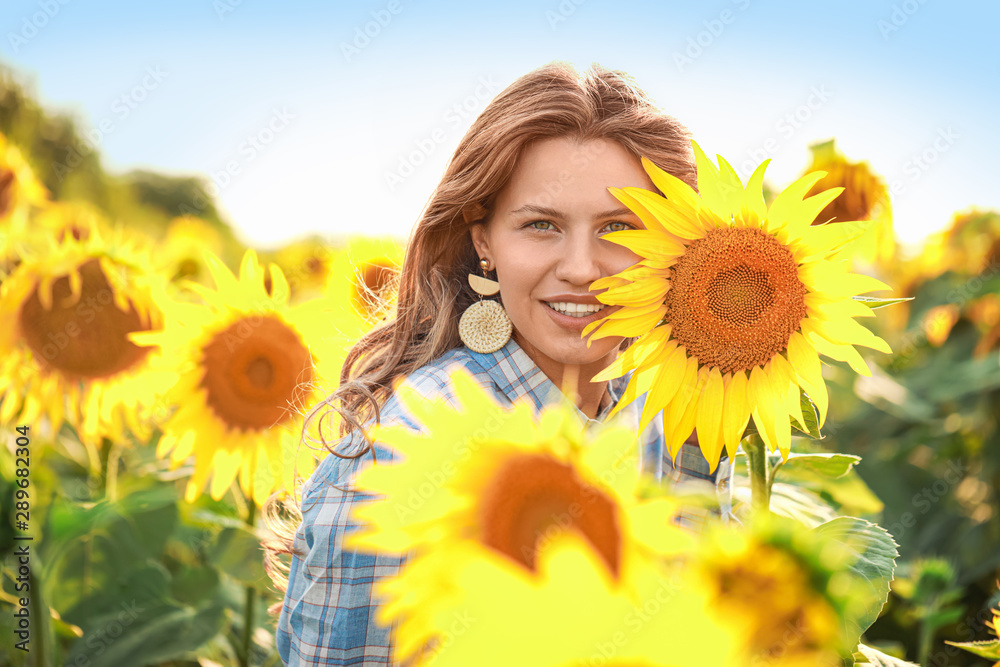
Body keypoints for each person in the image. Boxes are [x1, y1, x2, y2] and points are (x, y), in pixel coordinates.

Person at [267, 61, 734, 667]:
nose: (582, 268)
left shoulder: (672, 423)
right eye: (541, 225)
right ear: (484, 241)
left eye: (620, 228)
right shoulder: (397, 458)